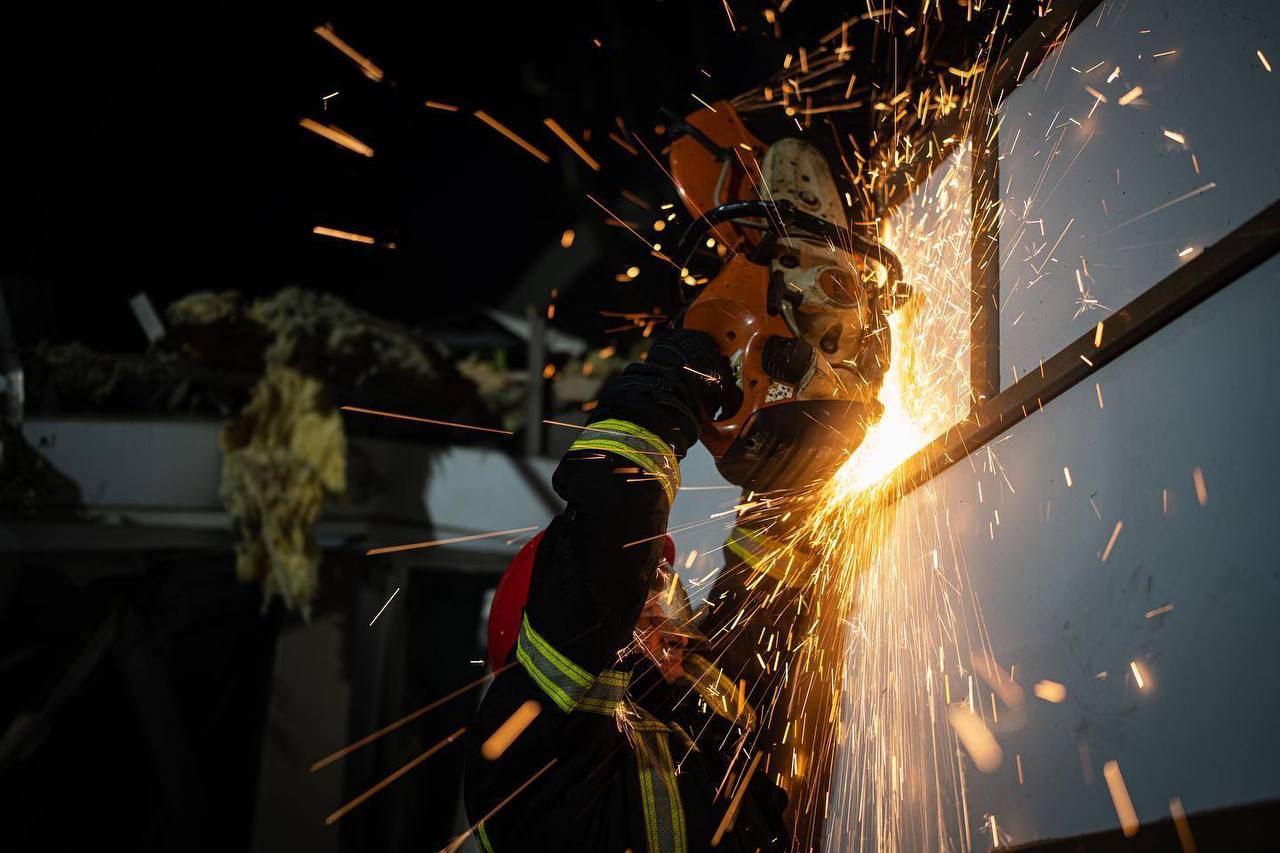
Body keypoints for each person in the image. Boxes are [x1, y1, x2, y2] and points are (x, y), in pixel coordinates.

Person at [462, 329, 820, 852]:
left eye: (666, 599)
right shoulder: (522, 762)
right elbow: (606, 542)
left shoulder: (689, 697)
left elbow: (761, 600)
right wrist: (658, 401)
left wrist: (800, 463)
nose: (671, 628)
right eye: (646, 610)